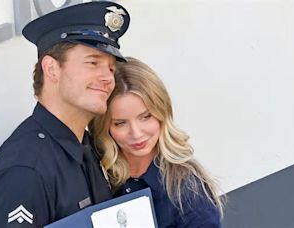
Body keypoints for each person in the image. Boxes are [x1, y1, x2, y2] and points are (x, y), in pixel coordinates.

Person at [0, 2, 130, 227]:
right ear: (51, 69)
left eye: (110, 68)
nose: (107, 78)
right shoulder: (25, 174)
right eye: (93, 63)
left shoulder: (87, 149)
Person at [90, 57, 225, 228]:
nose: (136, 134)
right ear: (105, 127)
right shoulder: (94, 173)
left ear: (162, 112)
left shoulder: (188, 190)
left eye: (145, 117)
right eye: (120, 123)